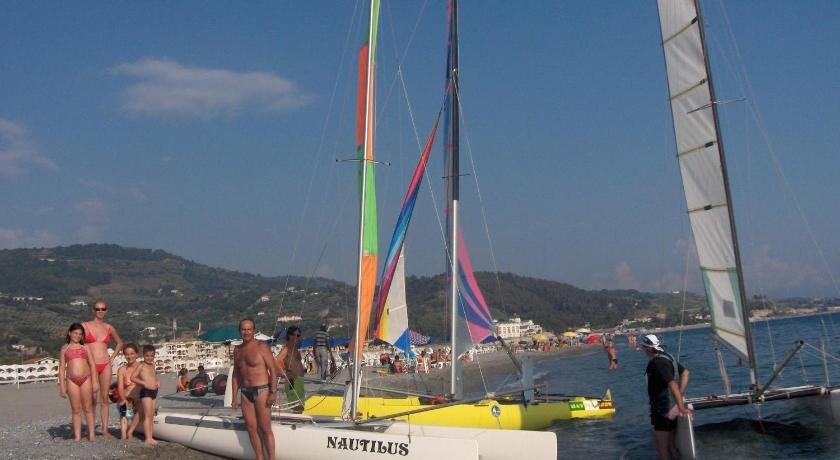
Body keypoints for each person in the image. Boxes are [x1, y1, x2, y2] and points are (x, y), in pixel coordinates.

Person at [232, 318, 278, 460]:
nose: (246, 332)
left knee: (265, 428)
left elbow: (273, 369)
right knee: (251, 428)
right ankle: (259, 457)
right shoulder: (237, 350)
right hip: (245, 392)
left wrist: (273, 392)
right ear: (240, 331)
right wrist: (233, 397)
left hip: (262, 390)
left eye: (249, 329)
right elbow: (236, 375)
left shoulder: (261, 347)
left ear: (253, 331)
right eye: (243, 329)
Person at [640, 334, 691, 460]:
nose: (642, 349)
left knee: (661, 446)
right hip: (672, 406)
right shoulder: (668, 357)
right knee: (671, 445)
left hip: (663, 409)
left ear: (648, 348)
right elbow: (685, 373)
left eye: (643, 347)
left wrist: (681, 407)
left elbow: (672, 384)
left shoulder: (658, 362)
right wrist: (680, 395)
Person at [82, 299, 124, 437]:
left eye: (103, 309)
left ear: (106, 311)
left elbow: (119, 343)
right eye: (98, 309)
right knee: (92, 398)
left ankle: (105, 429)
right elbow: (77, 343)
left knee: (105, 397)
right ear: (93, 310)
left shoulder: (109, 327)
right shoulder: (84, 326)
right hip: (90, 365)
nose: (100, 311)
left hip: (105, 365)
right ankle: (91, 428)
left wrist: (112, 358)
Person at [59, 323, 99, 441]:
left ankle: (91, 434)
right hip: (71, 380)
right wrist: (62, 386)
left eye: (80, 334)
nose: (77, 336)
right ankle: (77, 436)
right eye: (75, 333)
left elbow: (92, 364)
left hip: (86, 378)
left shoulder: (85, 347)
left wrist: (95, 382)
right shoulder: (64, 348)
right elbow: (61, 368)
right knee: (76, 409)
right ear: (69, 333)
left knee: (88, 407)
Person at [127, 344, 160, 446]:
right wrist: (143, 383)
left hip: (154, 392)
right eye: (147, 356)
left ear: (154, 356)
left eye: (151, 356)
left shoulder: (152, 365)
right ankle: (148, 438)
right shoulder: (141, 365)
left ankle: (150, 436)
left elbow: (153, 376)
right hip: (146, 392)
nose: (149, 358)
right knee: (147, 415)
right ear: (143, 355)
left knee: (151, 415)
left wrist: (157, 381)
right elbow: (132, 378)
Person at [276, 325, 306, 412]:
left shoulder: (295, 348)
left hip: (299, 379)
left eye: (299, 335)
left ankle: (297, 417)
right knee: (295, 404)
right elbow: (277, 361)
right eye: (295, 335)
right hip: (291, 380)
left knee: (300, 405)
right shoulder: (286, 349)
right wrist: (285, 373)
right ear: (289, 335)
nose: (297, 337)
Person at [117, 343, 140, 440]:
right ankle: (123, 435)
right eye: (127, 354)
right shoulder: (122, 370)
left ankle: (131, 428)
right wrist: (123, 399)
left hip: (139, 400)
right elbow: (120, 387)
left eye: (132, 353)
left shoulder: (142, 367)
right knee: (125, 410)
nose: (130, 356)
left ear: (137, 354)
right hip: (127, 399)